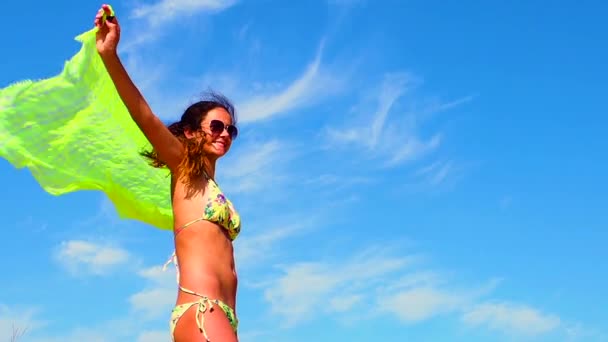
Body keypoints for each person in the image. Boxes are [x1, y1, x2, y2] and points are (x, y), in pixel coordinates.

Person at [94, 4, 241, 342]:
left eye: (230, 130)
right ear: (190, 132)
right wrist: (110, 55)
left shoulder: (210, 186)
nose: (224, 134)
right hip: (202, 308)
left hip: (226, 315)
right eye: (216, 126)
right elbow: (144, 116)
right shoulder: (184, 170)